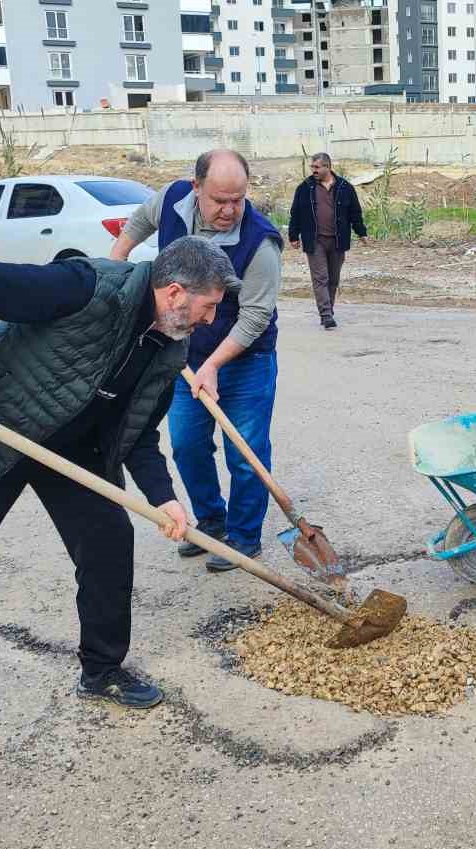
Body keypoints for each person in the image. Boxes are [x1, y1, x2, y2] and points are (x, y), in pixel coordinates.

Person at [0, 236, 239, 749]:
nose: (210, 320)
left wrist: (163, 497)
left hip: (71, 449)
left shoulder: (170, 344)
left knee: (108, 541)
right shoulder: (83, 288)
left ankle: (102, 669)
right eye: (209, 307)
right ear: (175, 293)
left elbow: (139, 430)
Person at [108, 150, 284, 573]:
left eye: (238, 199)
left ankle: (243, 539)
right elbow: (138, 222)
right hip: (183, 355)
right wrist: (115, 261)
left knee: (245, 453)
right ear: (196, 188)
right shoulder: (171, 200)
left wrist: (215, 366)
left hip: (245, 360)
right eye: (220, 200)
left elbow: (256, 315)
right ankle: (212, 523)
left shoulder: (260, 241)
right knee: (187, 445)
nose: (230, 210)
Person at [287, 152, 367, 329]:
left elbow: (355, 212)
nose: (313, 170)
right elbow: (296, 213)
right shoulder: (304, 188)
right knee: (320, 277)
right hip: (314, 240)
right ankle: (326, 315)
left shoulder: (345, 187)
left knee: (333, 279)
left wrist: (361, 232)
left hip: (338, 240)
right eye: (312, 167)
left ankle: (328, 310)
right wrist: (293, 235)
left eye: (317, 167)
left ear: (328, 167)